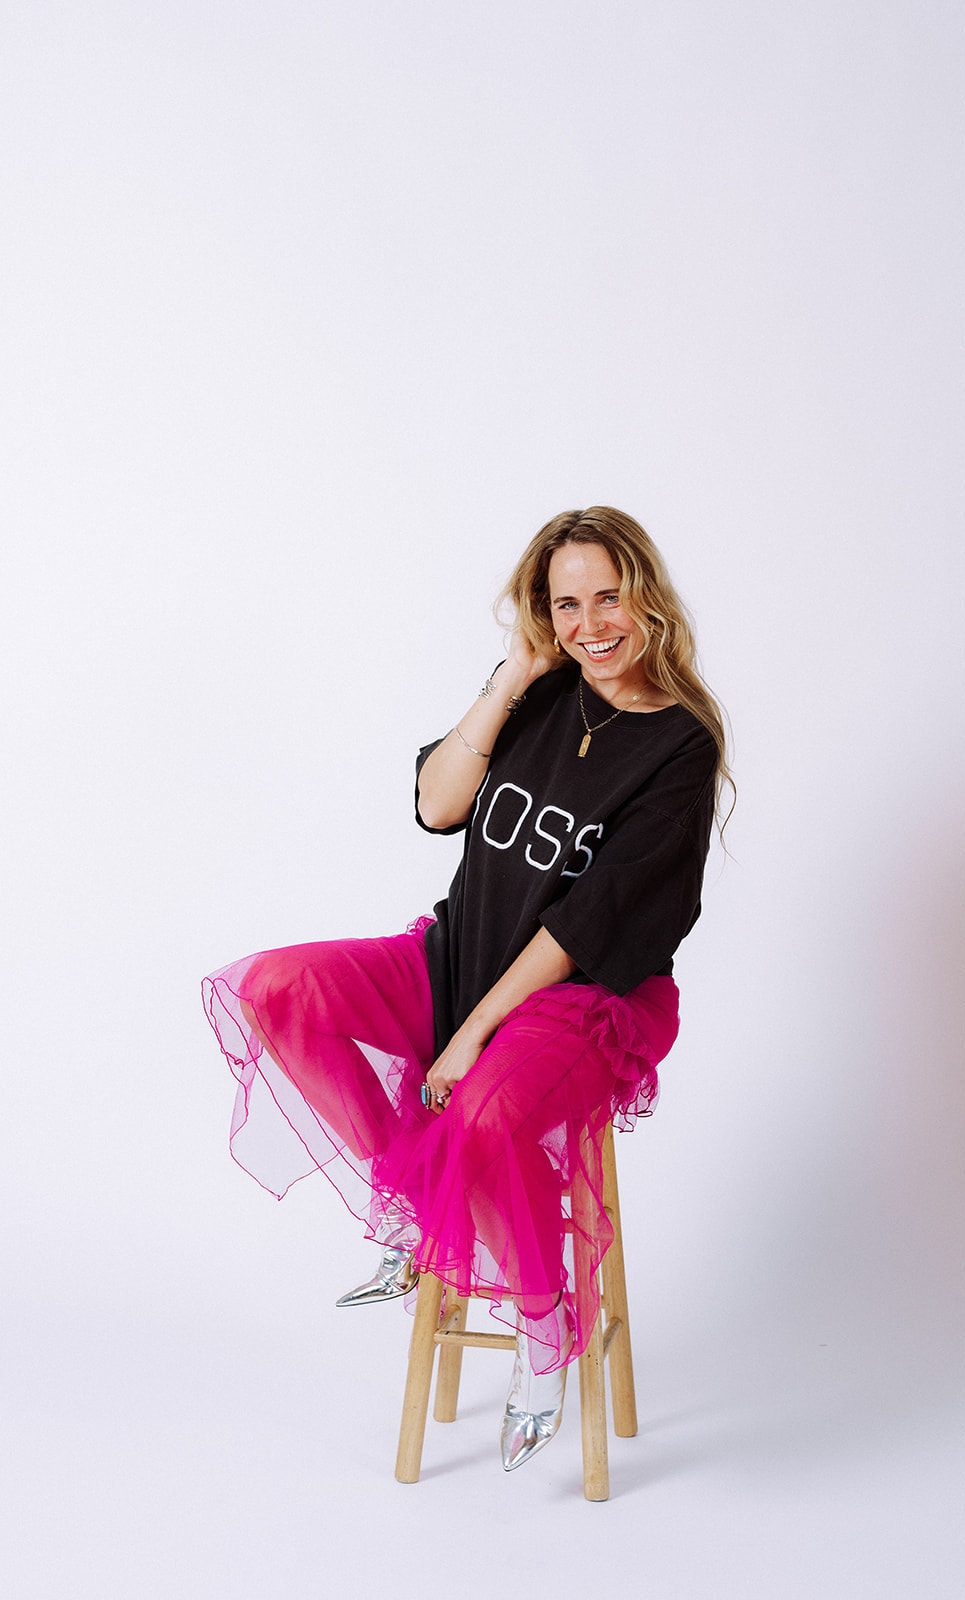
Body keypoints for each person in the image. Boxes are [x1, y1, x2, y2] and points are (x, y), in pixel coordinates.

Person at [202, 506, 732, 1472]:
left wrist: (471, 1035)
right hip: (462, 955)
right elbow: (437, 805)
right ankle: (409, 1200)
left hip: (587, 995)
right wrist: (513, 677)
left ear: (648, 597)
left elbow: (585, 925)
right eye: (566, 604)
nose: (592, 623)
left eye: (610, 597)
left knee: (485, 1116)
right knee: (275, 991)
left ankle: (543, 1331)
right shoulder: (538, 691)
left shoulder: (681, 746)